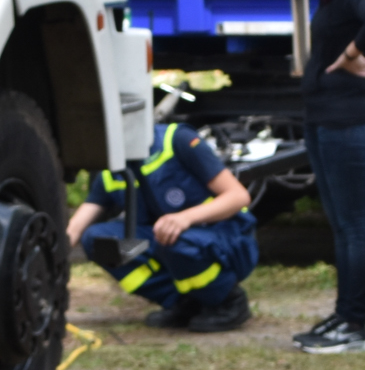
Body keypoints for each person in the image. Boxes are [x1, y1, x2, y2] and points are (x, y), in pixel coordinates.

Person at [287, 0, 365, 355]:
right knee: (343, 226)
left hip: (347, 123)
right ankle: (342, 316)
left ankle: (355, 325)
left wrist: (350, 55)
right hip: (324, 120)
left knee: (357, 225)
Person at [67, 119, 257, 332]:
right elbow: (79, 223)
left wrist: (185, 218)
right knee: (98, 241)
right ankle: (183, 302)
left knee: (176, 241)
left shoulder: (177, 140)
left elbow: (238, 196)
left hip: (224, 236)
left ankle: (228, 300)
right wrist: (54, 253)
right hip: (167, 240)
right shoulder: (113, 165)